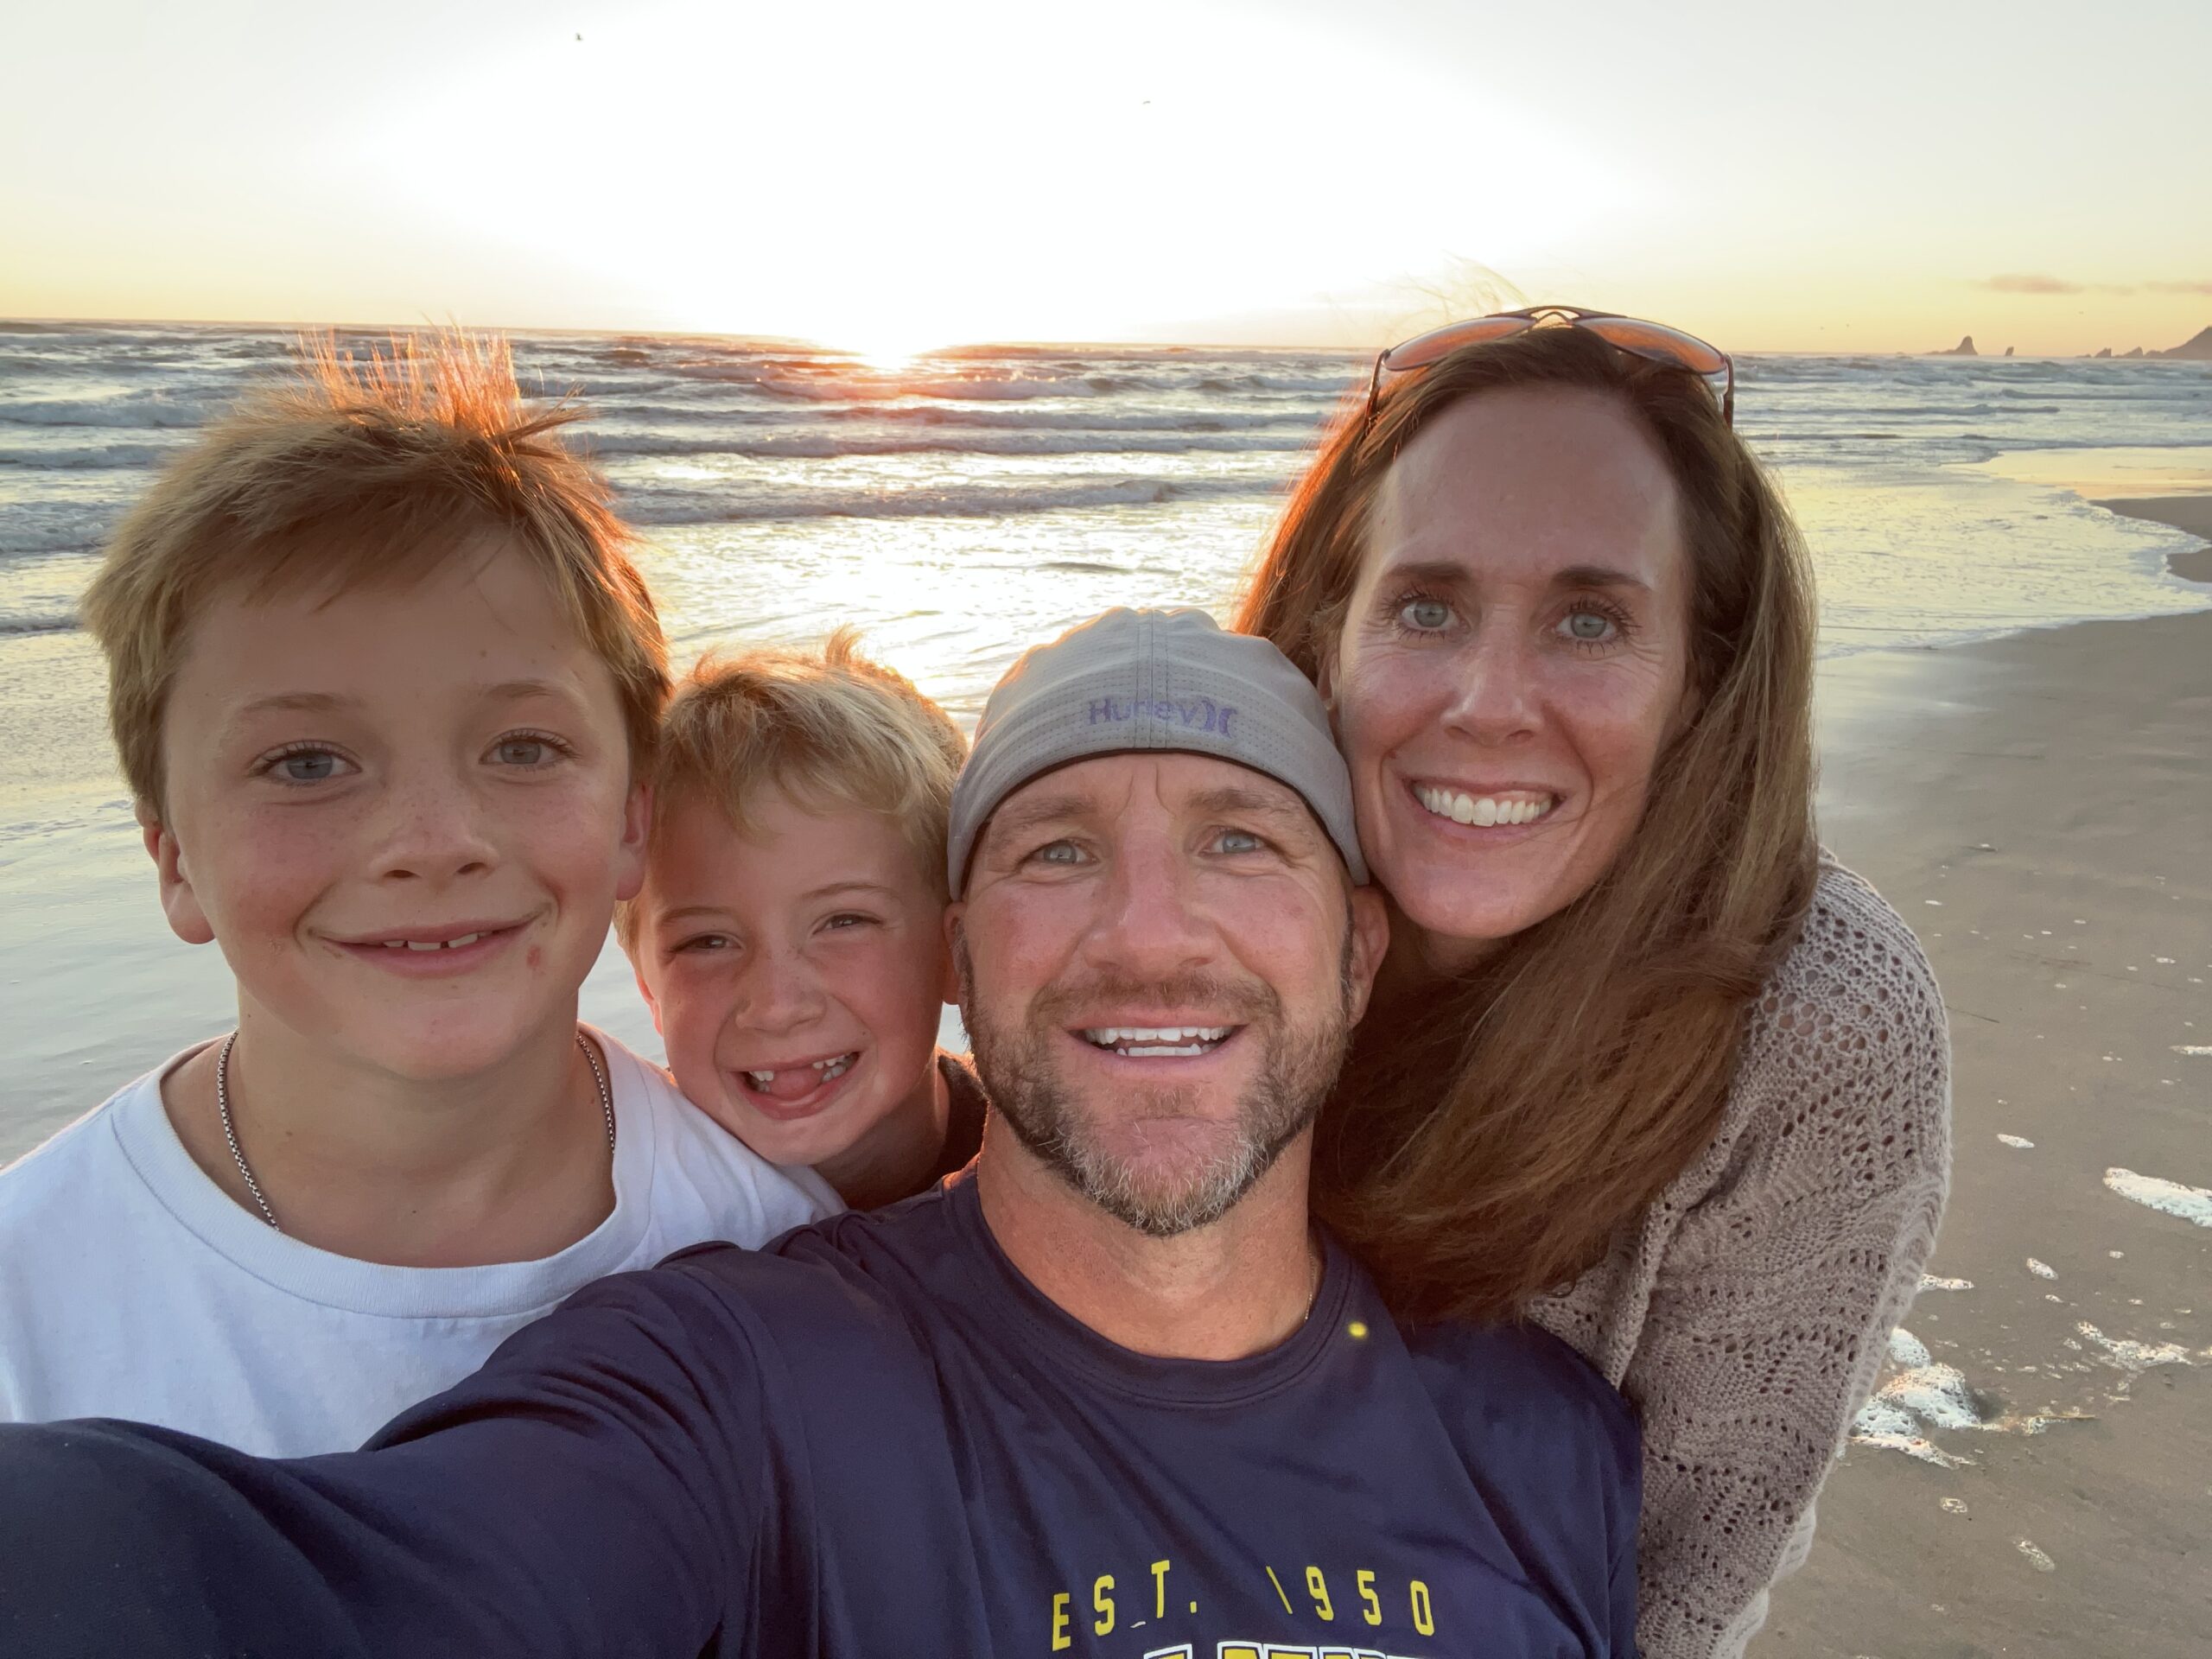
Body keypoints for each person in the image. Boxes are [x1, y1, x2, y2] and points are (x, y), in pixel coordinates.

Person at [0, 608, 1640, 1659]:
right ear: (971, 947)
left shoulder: (1549, 1440)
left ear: (1357, 947)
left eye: (1239, 841)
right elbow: (364, 1584)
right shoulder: (734, 1367)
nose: (1149, 932)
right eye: (1057, 851)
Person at [1236, 308, 1952, 1659]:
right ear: (1330, 632)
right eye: (1427, 606)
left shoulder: (1813, 1024)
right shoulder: (1206, 903)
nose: (1490, 701)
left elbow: (1686, 1577)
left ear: (1701, 680)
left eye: (1589, 618)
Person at [0, 338, 834, 1458]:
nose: (432, 844)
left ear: (632, 820)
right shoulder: (31, 1314)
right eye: (306, 763)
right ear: (174, 858)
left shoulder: (777, 1253)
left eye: (524, 748)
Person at [616, 633, 986, 1209]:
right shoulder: (622, 1206)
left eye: (844, 921)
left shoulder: (1056, 1175)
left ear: (956, 954)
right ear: (648, 987)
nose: (776, 1006)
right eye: (706, 942)